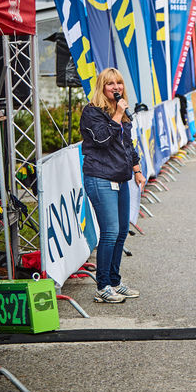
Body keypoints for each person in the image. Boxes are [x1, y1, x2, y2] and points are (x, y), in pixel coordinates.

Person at [79, 68, 146, 303]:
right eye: (110, 84)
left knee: (120, 232)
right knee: (108, 232)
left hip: (120, 177)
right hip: (100, 177)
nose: (116, 87)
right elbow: (102, 140)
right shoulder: (92, 112)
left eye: (119, 83)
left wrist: (137, 170)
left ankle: (115, 282)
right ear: (102, 87)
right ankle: (102, 287)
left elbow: (127, 145)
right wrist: (118, 115)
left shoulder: (122, 113)